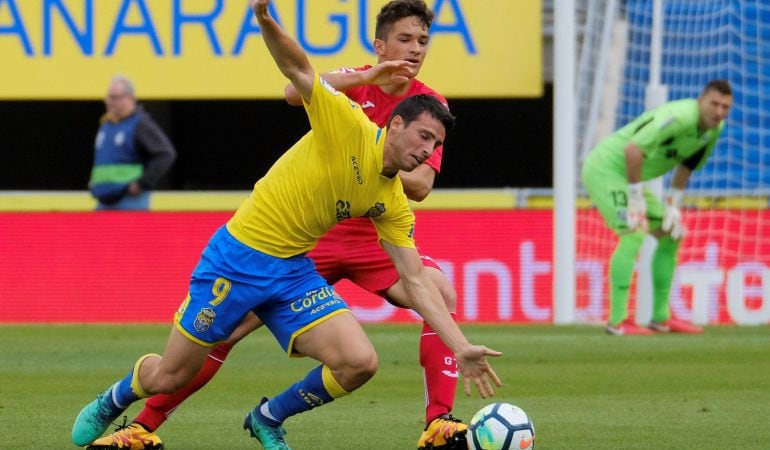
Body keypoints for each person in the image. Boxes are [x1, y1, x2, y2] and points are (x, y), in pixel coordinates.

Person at [71, 1, 502, 449]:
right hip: (254, 252)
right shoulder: (348, 114)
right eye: (406, 40)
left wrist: (461, 346)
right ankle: (136, 418)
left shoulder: (413, 142)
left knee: (366, 355)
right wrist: (265, 20)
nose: (415, 50)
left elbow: (414, 254)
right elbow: (296, 80)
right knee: (187, 361)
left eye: (423, 42)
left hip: (314, 255)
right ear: (381, 47)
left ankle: (293, 416)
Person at [582, 80, 733, 335]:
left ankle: (661, 318)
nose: (719, 112)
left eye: (725, 107)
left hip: (630, 179)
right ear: (700, 101)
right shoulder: (679, 117)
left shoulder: (714, 130)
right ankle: (617, 321)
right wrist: (635, 198)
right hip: (607, 170)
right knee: (634, 231)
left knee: (671, 233)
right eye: (714, 104)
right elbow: (633, 149)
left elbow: (689, 164)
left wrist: (672, 204)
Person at [89, 75, 176, 210]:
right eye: (108, 97)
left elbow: (165, 154)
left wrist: (142, 183)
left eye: (114, 98)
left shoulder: (140, 124)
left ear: (129, 98)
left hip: (129, 201)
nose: (109, 102)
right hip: (105, 200)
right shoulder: (107, 125)